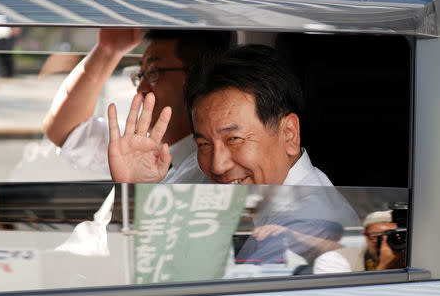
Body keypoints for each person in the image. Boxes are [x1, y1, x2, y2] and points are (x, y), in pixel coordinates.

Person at [108, 44, 361, 267]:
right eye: (204, 143)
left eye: (235, 140)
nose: (217, 165)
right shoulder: (206, 169)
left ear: (289, 134)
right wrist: (136, 190)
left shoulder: (309, 225)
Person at [43, 28, 231, 182]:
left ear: (197, 78)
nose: (141, 88)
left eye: (154, 72)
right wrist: (108, 49)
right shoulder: (139, 146)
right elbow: (63, 129)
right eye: (141, 75)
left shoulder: (214, 171)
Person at [313, 210, 407, 273]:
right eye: (377, 236)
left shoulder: (414, 258)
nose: (384, 242)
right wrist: (385, 267)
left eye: (395, 236)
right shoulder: (334, 260)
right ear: (365, 235)